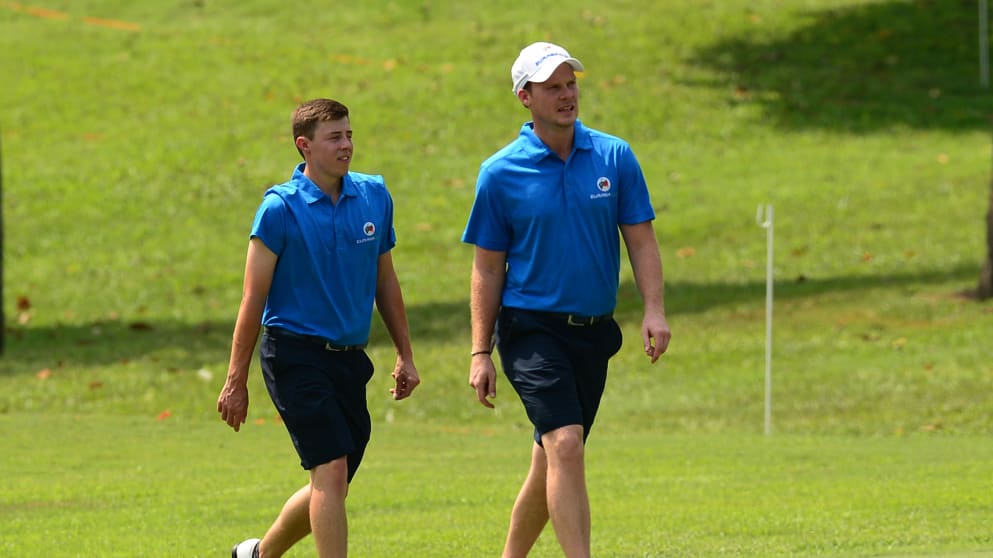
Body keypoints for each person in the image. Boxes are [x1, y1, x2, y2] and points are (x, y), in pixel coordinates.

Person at [462, 42, 671, 558]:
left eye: (570, 83)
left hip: (594, 332)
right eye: (552, 87)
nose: (566, 95)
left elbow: (640, 239)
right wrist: (480, 351)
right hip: (530, 328)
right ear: (524, 97)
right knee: (565, 444)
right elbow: (487, 269)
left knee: (552, 456)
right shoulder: (500, 173)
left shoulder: (614, 156)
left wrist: (654, 308)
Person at [217, 98, 420, 558]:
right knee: (330, 470)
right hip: (293, 355)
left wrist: (405, 353)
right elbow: (253, 299)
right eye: (335, 137)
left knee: (334, 478)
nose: (346, 144)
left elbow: (384, 280)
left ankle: (258, 554)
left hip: (350, 361)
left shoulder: (373, 196)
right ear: (304, 146)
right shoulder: (279, 209)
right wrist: (235, 379)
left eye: (349, 134)